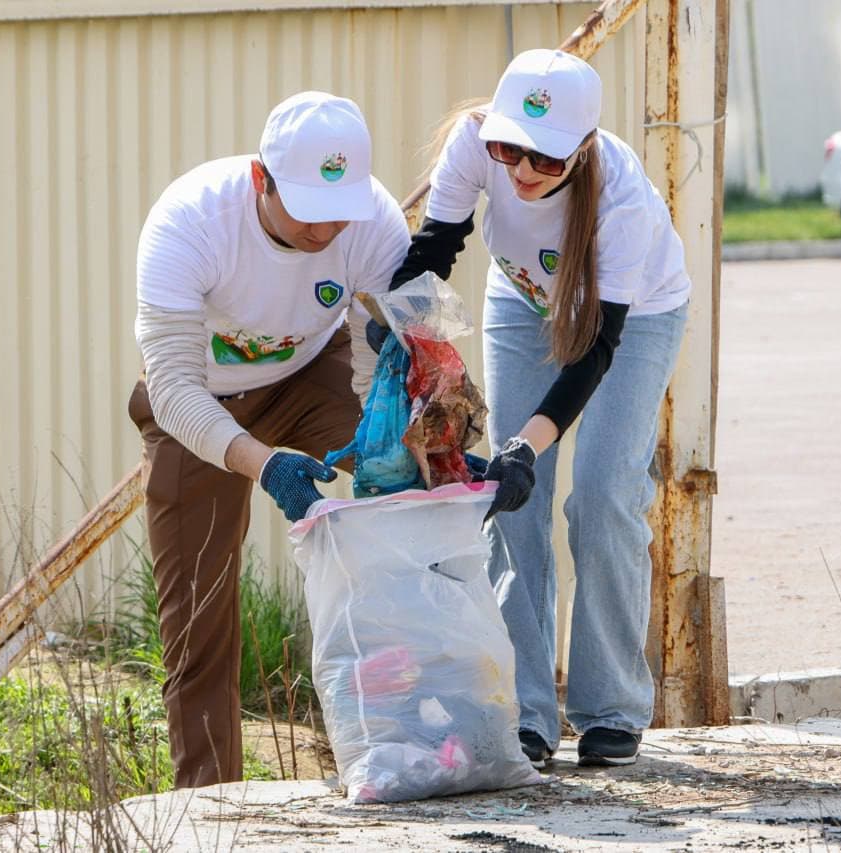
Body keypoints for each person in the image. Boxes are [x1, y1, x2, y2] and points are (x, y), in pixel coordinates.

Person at [373, 49, 691, 768]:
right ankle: (525, 711)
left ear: (581, 150)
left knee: (604, 495)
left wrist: (528, 441)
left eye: (543, 160)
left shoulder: (624, 208)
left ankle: (610, 706)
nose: (519, 172)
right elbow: (435, 250)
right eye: (509, 148)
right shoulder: (474, 145)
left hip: (631, 322)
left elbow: (595, 350)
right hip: (521, 303)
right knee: (512, 502)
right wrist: (404, 330)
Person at [129, 91, 410, 787]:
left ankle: (424, 744)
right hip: (203, 403)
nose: (326, 232)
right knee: (197, 617)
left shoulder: (373, 223)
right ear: (262, 179)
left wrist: (398, 423)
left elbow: (389, 353)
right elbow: (173, 390)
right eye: (310, 211)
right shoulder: (190, 222)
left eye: (339, 211)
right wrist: (261, 462)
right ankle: (214, 804)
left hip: (315, 374)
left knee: (416, 470)